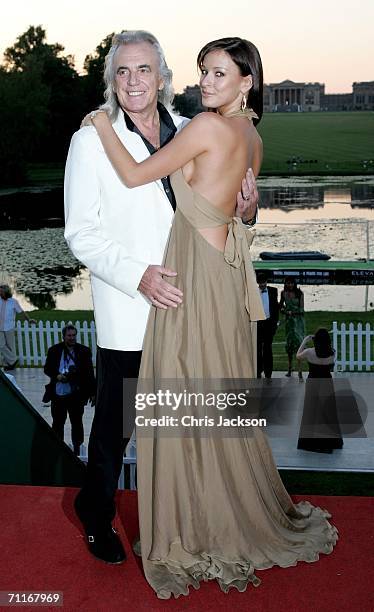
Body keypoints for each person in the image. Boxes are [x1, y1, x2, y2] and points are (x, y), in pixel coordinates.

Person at [87, 36, 338, 599]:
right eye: (204, 72)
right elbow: (243, 209)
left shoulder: (204, 127)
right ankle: (221, 504)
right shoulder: (252, 135)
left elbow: (134, 176)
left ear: (247, 81)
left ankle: (198, 520)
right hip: (224, 276)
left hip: (195, 276)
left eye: (220, 74)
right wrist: (248, 207)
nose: (207, 82)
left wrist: (104, 127)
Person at [64, 30, 259, 565]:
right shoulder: (90, 140)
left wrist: (247, 210)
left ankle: (186, 520)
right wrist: (138, 276)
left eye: (143, 69)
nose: (133, 81)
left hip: (192, 306)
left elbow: (219, 209)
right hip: (132, 307)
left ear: (163, 77)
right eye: (122, 71)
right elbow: (81, 234)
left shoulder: (194, 126)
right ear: (111, 80)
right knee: (118, 426)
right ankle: (96, 511)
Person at [44, 324, 96, 455]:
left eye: (74, 335)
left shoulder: (84, 351)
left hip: (76, 393)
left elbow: (89, 373)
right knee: (57, 422)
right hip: (58, 393)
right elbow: (47, 368)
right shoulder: (54, 350)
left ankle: (78, 449)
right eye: (69, 336)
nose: (72, 338)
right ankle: (57, 448)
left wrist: (92, 392)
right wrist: (57, 375)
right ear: (64, 336)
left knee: (77, 422)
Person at [296, 328, 343, 453]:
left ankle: (311, 441)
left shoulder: (309, 352)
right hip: (327, 383)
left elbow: (298, 356)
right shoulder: (332, 353)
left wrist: (305, 341)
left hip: (313, 384)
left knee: (311, 412)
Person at [0, 284, 36, 371]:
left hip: (9, 327)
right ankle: (13, 360)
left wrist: (29, 320)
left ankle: (8, 365)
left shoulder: (13, 302)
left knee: (10, 347)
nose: (0, 293)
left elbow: (21, 312)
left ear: (6, 292)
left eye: (1, 291)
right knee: (1, 345)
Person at [279, 277, 305, 379]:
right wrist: (285, 311)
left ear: (294, 283)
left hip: (298, 322)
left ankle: (300, 370)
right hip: (289, 322)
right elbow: (280, 307)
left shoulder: (300, 293)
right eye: (288, 283)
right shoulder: (283, 293)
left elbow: (302, 309)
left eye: (291, 283)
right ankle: (290, 368)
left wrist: (293, 312)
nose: (290, 285)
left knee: (299, 344)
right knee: (289, 345)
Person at [256, 272, 279, 379]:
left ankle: (268, 372)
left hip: (269, 324)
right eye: (260, 283)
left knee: (268, 349)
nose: (262, 284)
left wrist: (275, 324)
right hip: (258, 324)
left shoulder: (273, 291)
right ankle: (258, 371)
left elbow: (275, 308)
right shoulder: (254, 292)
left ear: (266, 281)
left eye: (264, 282)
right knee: (257, 349)